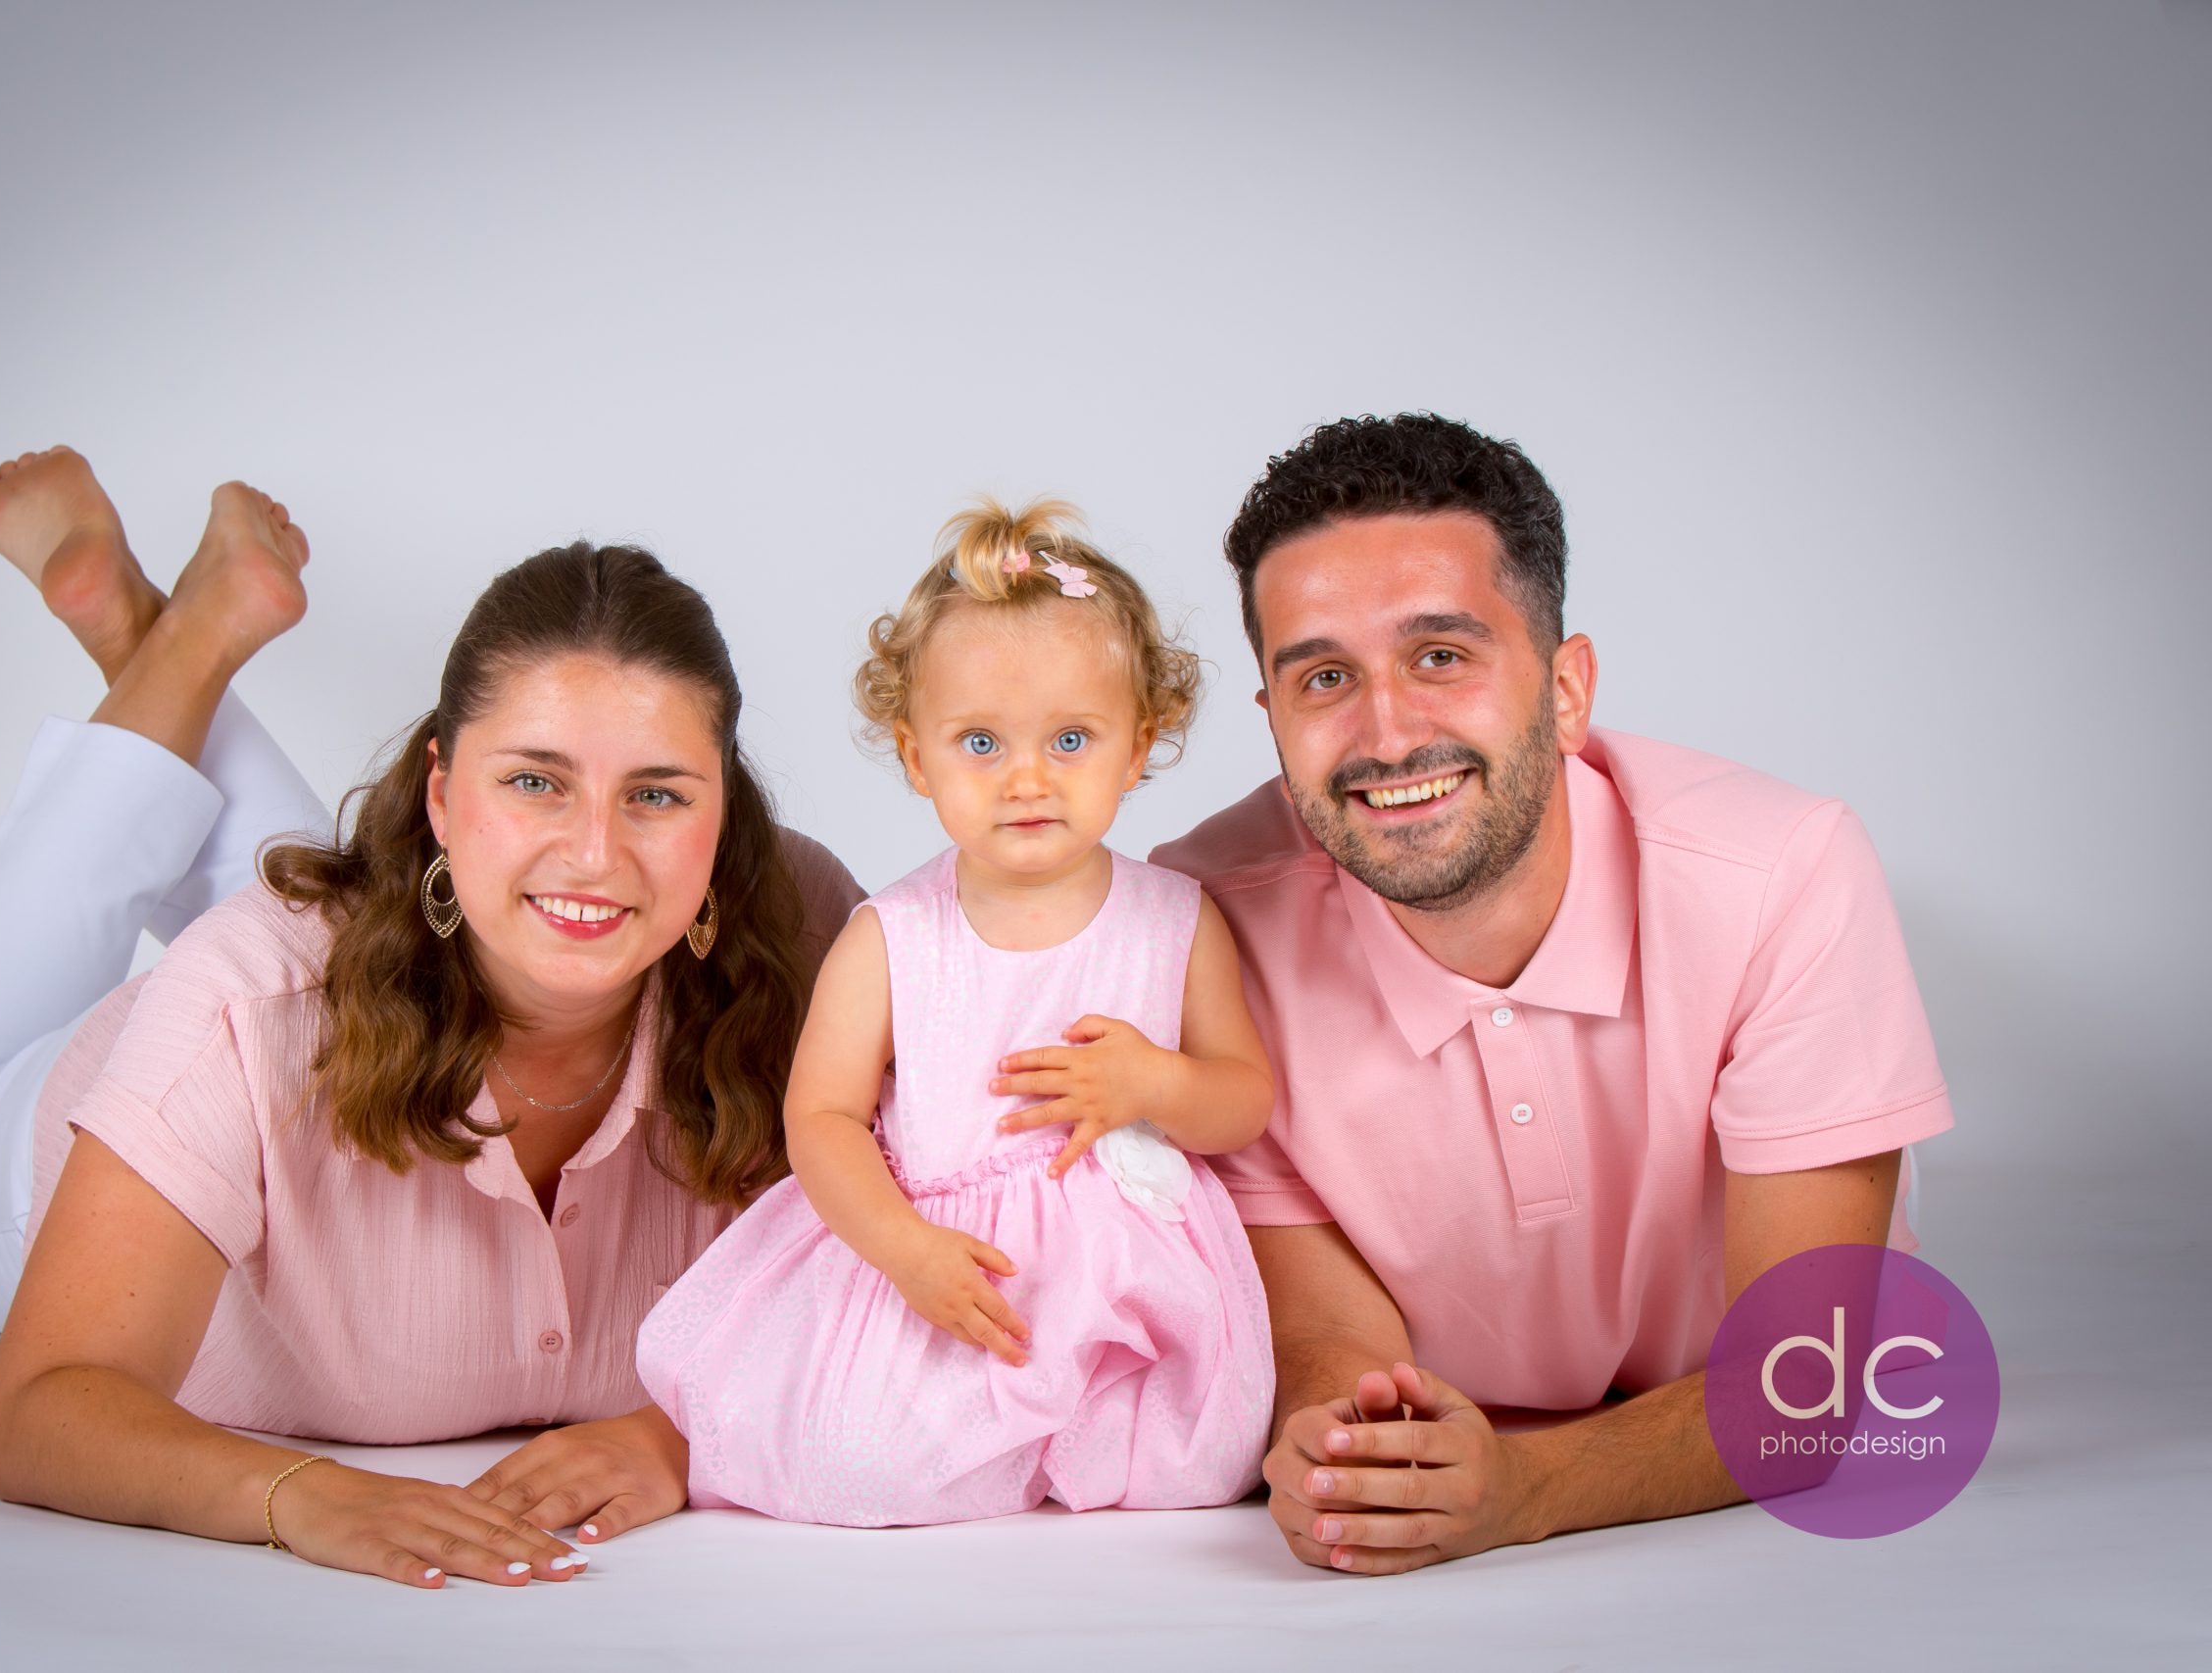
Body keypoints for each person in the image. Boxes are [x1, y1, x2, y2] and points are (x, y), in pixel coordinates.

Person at [0, 447, 862, 1587]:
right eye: (533, 781)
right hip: (66, 1143)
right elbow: (42, 1412)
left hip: (382, 945)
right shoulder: (250, 1006)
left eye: (657, 794)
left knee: (399, 900)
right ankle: (173, 649)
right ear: (438, 789)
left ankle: (164, 636)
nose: (597, 848)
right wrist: (294, 1497)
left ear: (726, 811)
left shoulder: (812, 944)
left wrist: (690, 1434)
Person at [1151, 414, 1955, 1573]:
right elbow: (1328, 1340)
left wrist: (1521, 1491)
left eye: (1441, 655)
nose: (1387, 733)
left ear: (1567, 689)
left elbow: (1808, 1384)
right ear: (1272, 721)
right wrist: (1356, 1460)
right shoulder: (1201, 925)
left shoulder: (1786, 871)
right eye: (1324, 677)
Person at [637, 499, 1276, 1526]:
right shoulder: (893, 936)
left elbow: (1243, 1098)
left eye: (1071, 738)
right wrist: (903, 1249)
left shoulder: (1172, 917)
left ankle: (1089, 1446)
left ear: (1137, 744)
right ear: (915, 754)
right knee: (861, 1468)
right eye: (979, 741)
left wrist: (1158, 1083)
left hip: (1127, 1271)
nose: (1026, 777)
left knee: (1202, 1464)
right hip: (953, 1262)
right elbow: (822, 1120)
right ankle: (979, 1448)